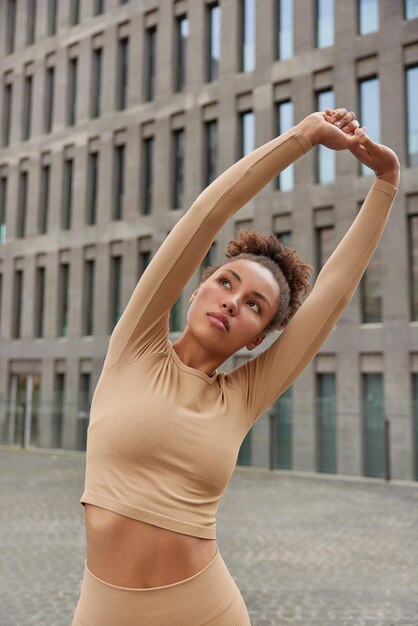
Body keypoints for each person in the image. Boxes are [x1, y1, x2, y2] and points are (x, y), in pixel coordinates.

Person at [70, 108, 399, 626]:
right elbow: (206, 215)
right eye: (225, 283)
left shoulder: (243, 396)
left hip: (205, 611)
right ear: (197, 286)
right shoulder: (134, 346)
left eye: (254, 305)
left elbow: (331, 295)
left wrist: (386, 181)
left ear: (259, 338)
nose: (231, 302)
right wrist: (301, 136)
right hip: (105, 611)